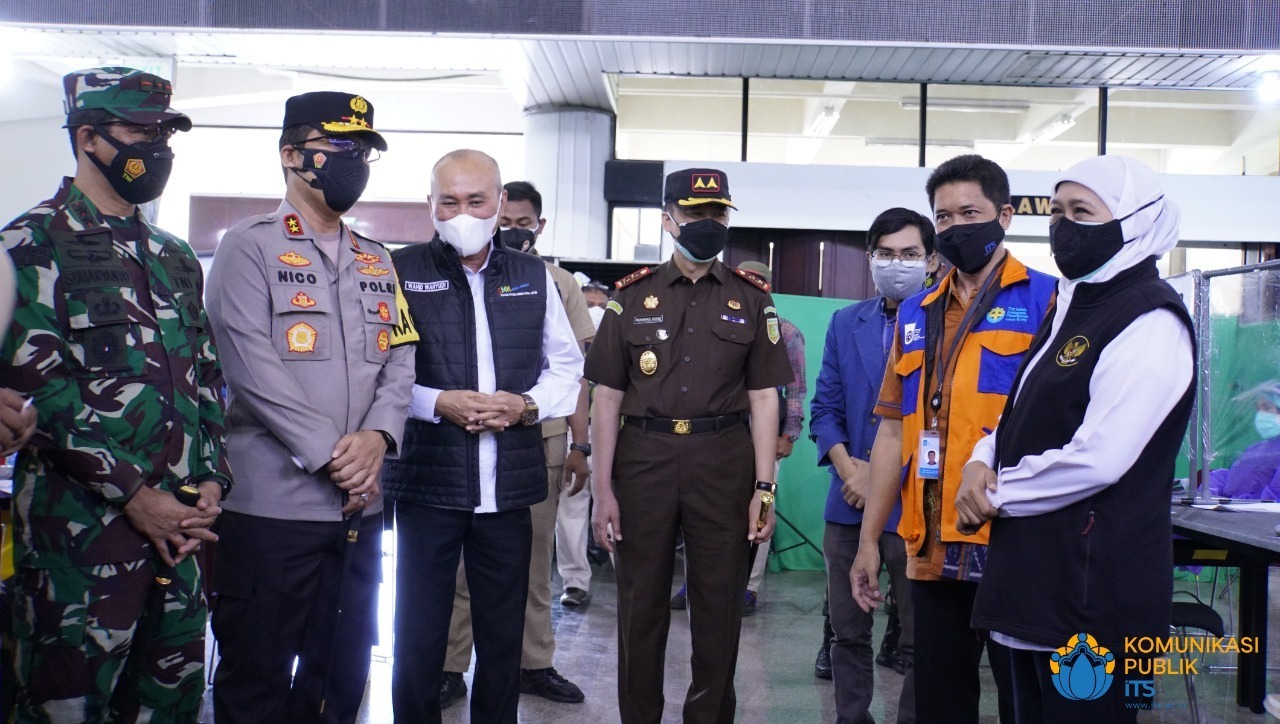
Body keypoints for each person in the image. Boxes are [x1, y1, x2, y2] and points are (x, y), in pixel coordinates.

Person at [0, 67, 231, 722]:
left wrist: (212, 478)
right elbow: (41, 391)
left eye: (166, 132)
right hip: (79, 542)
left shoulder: (175, 254)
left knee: (170, 705)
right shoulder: (29, 245)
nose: (157, 145)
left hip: (182, 536)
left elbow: (205, 377)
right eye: (140, 130)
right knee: (65, 709)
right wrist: (136, 495)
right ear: (88, 137)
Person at [955, 155, 1194, 721]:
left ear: (1135, 221)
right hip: (1037, 582)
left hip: (1094, 598)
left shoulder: (1150, 320)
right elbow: (1021, 410)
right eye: (1057, 211)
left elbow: (1100, 457)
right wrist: (979, 459)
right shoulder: (1074, 302)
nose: (1063, 225)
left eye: (1082, 212)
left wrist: (997, 493)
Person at [205, 91, 414, 724]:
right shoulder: (247, 248)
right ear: (292, 154)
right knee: (257, 672)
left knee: (341, 675)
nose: (356, 162)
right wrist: (334, 457)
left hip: (360, 508)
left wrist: (379, 436)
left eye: (365, 151)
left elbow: (401, 357)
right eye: (341, 148)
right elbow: (252, 370)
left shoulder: (377, 259)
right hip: (272, 507)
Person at [850, 154, 1056, 724]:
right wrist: (871, 540)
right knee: (940, 703)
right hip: (933, 547)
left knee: (1027, 703)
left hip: (1015, 542)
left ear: (1006, 216)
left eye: (970, 212)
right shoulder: (916, 313)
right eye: (944, 217)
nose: (956, 226)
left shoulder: (1048, 302)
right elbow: (892, 432)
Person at [585, 167, 793, 723]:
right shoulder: (630, 299)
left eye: (717, 213)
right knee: (639, 607)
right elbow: (606, 398)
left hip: (723, 463)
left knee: (719, 608)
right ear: (668, 219)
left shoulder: (753, 301)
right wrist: (602, 490)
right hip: (643, 463)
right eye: (695, 213)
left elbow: (766, 400)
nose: (707, 223)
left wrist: (764, 489)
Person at [384, 149, 583, 724]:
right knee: (420, 631)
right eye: (449, 201)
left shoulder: (533, 278)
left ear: (500, 204)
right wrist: (436, 402)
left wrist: (524, 406)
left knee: (502, 636)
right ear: (430, 205)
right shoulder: (400, 271)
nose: (462, 212)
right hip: (427, 481)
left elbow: (566, 368)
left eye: (476, 201)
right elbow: (379, 369)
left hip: (509, 486)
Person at [440, 179, 593, 707]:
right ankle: (449, 666)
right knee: (460, 566)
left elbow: (574, 372)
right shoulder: (448, 273)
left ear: (539, 227)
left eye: (522, 224)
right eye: (506, 223)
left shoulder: (556, 282)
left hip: (536, 441)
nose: (512, 232)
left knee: (532, 562)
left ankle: (534, 663)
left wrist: (580, 443)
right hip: (459, 439)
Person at [810, 207, 936, 724]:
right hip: (850, 504)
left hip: (916, 505)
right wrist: (850, 471)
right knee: (847, 630)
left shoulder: (946, 322)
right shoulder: (846, 322)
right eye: (885, 254)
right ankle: (851, 717)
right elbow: (825, 409)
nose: (896, 263)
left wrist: (885, 477)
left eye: (909, 254)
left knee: (921, 640)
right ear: (870, 259)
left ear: (931, 261)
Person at [669, 259, 805, 617]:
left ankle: (748, 586)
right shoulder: (712, 323)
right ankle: (693, 581)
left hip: (766, 436)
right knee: (700, 510)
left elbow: (795, 389)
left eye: (757, 282)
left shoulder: (787, 332)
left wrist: (789, 434)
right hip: (719, 436)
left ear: (767, 288)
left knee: (760, 508)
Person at [1208, 381, 1280, 500]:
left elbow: (1272, 500)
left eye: (1266, 407)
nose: (1261, 414)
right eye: (1258, 409)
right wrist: (1211, 488)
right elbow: (1232, 477)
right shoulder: (1256, 448)